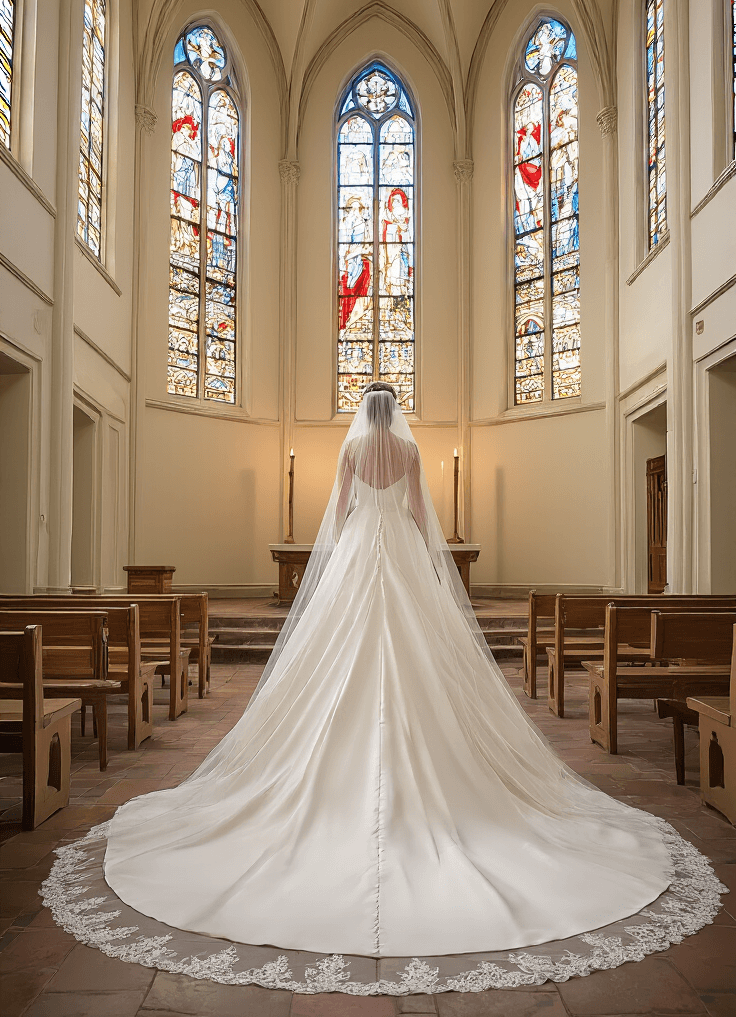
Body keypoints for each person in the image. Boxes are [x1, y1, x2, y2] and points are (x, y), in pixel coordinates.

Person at [45, 383, 722, 991]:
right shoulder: (406, 449)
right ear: (395, 412)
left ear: (359, 417)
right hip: (397, 546)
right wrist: (430, 566)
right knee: (421, 653)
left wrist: (336, 563)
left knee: (336, 654)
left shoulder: (352, 454)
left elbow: (337, 515)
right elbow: (425, 517)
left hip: (361, 548)